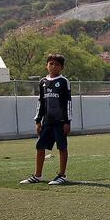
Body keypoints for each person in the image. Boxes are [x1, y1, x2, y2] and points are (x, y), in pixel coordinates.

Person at [20, 53, 72, 185]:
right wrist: (38, 121)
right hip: (47, 121)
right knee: (40, 146)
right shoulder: (43, 82)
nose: (53, 66)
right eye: (51, 64)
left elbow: (68, 102)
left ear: (62, 67)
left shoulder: (63, 82)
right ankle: (37, 175)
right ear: (46, 65)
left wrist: (67, 121)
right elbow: (41, 102)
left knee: (62, 147)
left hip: (60, 122)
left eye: (57, 65)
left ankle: (62, 175)